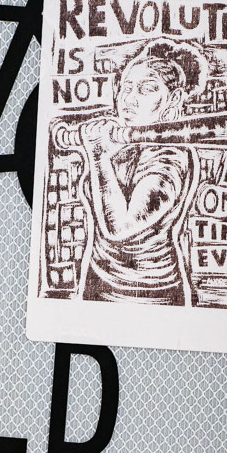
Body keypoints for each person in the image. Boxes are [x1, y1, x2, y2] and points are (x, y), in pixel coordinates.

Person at [74, 39, 205, 305]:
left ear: (174, 99)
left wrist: (98, 155)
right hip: (97, 282)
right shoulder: (124, 141)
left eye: (147, 88)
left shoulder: (171, 156)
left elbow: (120, 227)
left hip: (151, 295)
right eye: (126, 88)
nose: (129, 99)